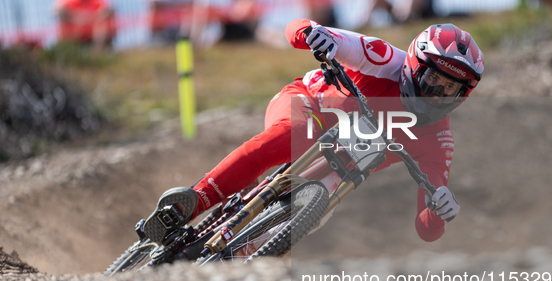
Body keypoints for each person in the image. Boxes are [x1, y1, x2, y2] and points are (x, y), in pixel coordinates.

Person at [142, 20, 484, 246]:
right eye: (433, 80)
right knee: (298, 134)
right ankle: (191, 202)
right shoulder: (382, 57)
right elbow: (300, 28)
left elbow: (427, 228)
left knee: (318, 211)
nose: (436, 94)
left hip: (341, 165)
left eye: (449, 89)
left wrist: (440, 211)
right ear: (412, 65)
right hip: (309, 104)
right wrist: (311, 35)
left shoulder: (439, 141)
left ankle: (236, 255)